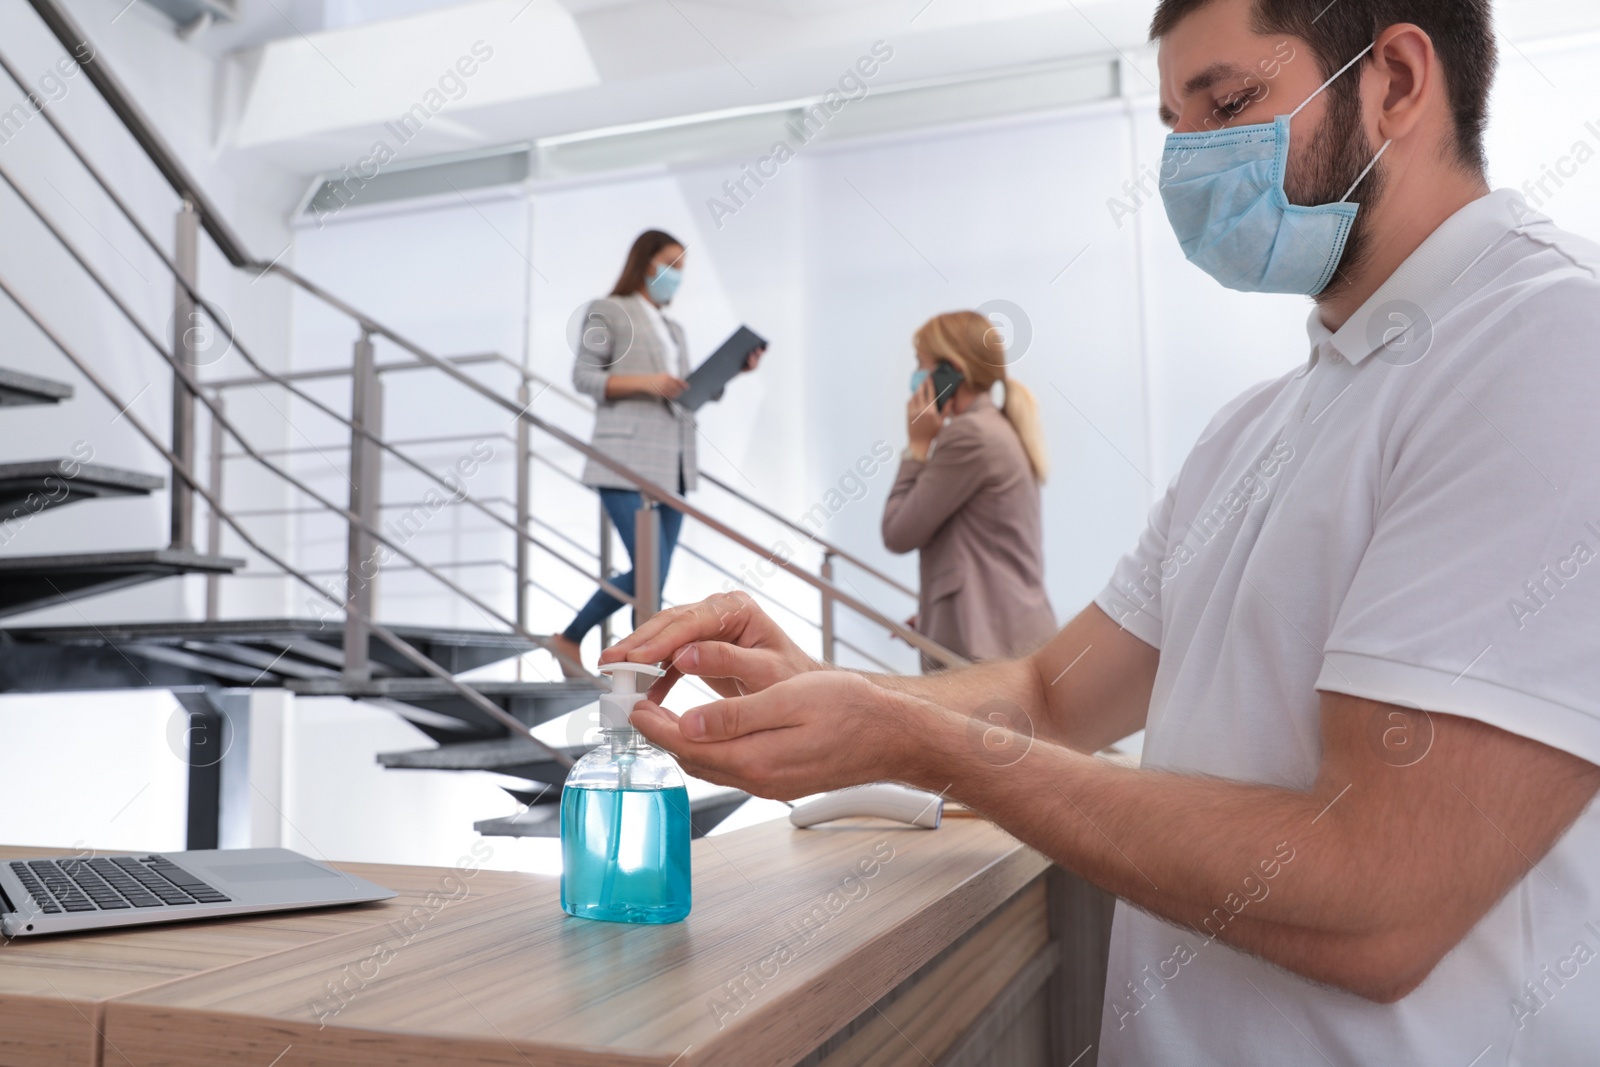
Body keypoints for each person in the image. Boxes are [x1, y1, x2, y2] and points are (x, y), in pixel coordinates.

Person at [597, 2, 1600, 1063]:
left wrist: (915, 740)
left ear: (1395, 80)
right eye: (1174, 124)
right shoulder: (1259, 425)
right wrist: (819, 686)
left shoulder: (1548, 346)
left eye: (1229, 104)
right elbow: (1051, 696)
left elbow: (1377, 896)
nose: (1190, 165)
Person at [551, 230, 760, 676]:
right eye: (671, 264)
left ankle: (629, 668)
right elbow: (585, 378)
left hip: (673, 462)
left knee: (654, 580)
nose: (677, 276)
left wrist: (732, 372)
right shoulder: (609, 311)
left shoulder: (674, 329)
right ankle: (573, 640)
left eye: (682, 268)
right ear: (647, 261)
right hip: (623, 458)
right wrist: (648, 381)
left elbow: (685, 396)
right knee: (649, 569)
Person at [883, 311, 1056, 669]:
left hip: (991, 647)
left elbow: (897, 532)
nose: (915, 376)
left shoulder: (970, 436)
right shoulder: (992, 427)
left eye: (921, 364)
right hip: (1002, 636)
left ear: (951, 371)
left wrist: (916, 448)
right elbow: (979, 544)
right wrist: (935, 616)